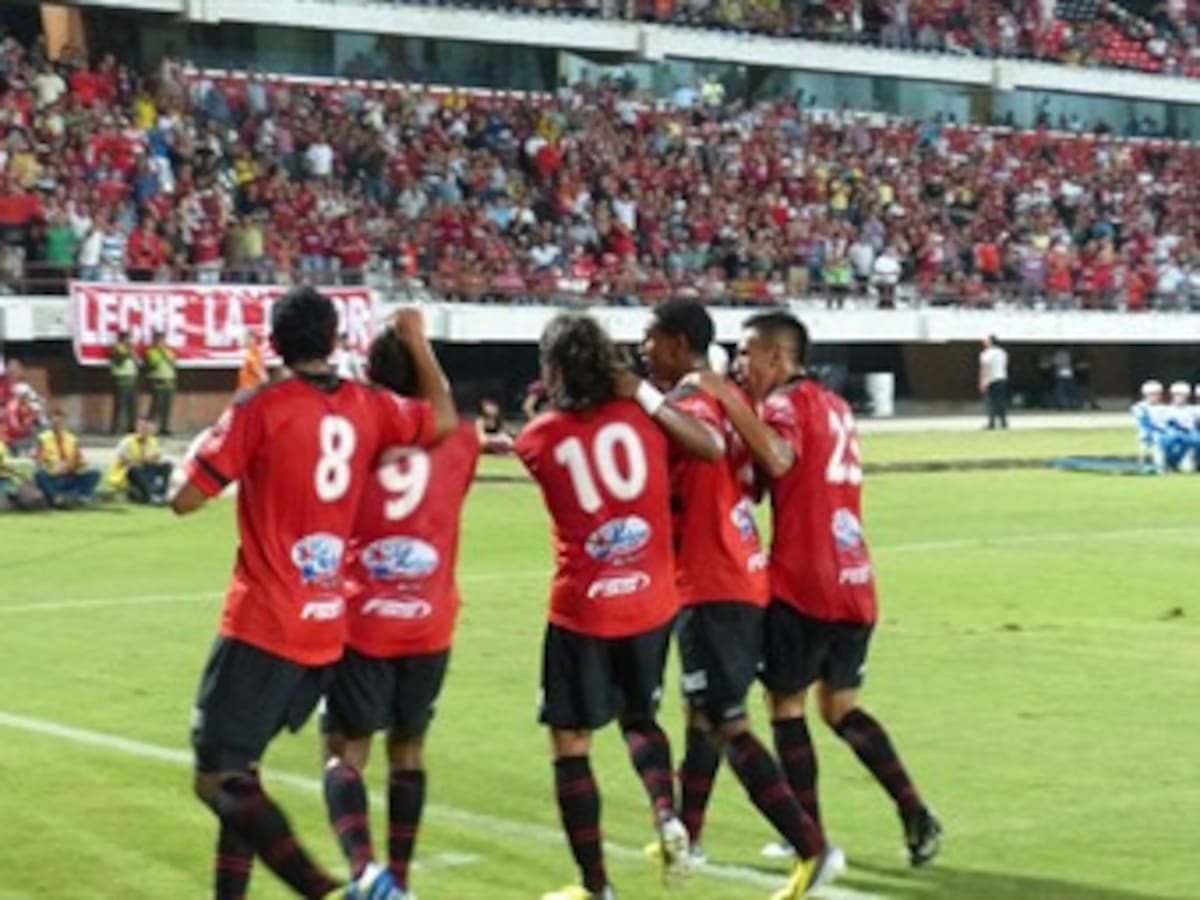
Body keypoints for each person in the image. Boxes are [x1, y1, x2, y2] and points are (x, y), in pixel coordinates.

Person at [170, 286, 458, 900]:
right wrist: (417, 341)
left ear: (276, 342)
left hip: (264, 621)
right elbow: (443, 417)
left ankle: (332, 890)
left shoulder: (262, 406)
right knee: (241, 774)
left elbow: (185, 498)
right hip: (327, 628)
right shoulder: (368, 404)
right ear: (334, 341)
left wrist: (195, 452)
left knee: (215, 775)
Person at [696, 312, 941, 870]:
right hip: (855, 574)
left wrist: (724, 400)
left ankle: (806, 833)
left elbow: (775, 462)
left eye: (744, 355)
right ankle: (914, 810)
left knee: (784, 703)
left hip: (806, 578)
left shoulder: (782, 406)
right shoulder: (835, 405)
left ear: (777, 359)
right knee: (840, 707)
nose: (737, 366)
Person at [514, 314, 724, 900]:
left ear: (553, 368)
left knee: (571, 742)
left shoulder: (538, 438)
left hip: (584, 607)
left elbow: (549, 448)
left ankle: (596, 885)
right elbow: (705, 447)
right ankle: (668, 815)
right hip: (652, 600)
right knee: (641, 719)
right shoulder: (643, 417)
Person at [640, 300, 841, 896]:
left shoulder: (690, 402)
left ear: (677, 344)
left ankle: (811, 846)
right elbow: (749, 484)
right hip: (740, 571)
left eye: (651, 340)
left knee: (726, 720)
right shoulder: (735, 403)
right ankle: (689, 836)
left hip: (712, 577)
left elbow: (707, 451)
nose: (644, 349)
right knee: (703, 714)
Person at [321, 328, 481, 900]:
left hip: (363, 618)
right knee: (409, 749)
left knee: (345, 750)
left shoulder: (355, 441)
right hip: (429, 620)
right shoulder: (463, 440)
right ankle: (402, 882)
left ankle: (367, 873)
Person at [33, 407, 101, 507]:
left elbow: (79, 458)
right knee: (39, 475)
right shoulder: (43, 439)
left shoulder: (72, 439)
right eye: (54, 422)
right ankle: (55, 497)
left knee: (95, 473)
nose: (57, 425)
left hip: (69, 475)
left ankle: (82, 497)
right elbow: (38, 462)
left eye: (60, 422)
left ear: (64, 423)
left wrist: (75, 464)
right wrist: (53, 468)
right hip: (53, 476)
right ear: (50, 423)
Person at [107, 415, 173, 504]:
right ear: (137, 428)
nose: (145, 432)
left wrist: (152, 459)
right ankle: (149, 496)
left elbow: (156, 458)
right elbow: (123, 459)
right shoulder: (127, 441)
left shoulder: (153, 441)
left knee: (167, 465)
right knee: (134, 469)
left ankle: (164, 494)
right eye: (143, 428)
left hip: (147, 470)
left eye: (148, 429)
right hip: (128, 474)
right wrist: (142, 460)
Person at [144, 329, 177, 435]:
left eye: (163, 340)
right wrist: (162, 352)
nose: (162, 343)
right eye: (159, 340)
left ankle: (164, 427)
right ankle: (150, 428)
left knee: (166, 407)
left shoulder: (168, 351)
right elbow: (154, 363)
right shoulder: (151, 352)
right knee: (156, 407)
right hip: (158, 382)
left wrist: (166, 353)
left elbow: (173, 360)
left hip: (169, 382)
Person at [1159, 381, 1196, 473]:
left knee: (1194, 440)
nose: (1179, 397)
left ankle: (1193, 462)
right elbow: (1163, 426)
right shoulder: (1166, 410)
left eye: (1182, 395)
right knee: (1170, 438)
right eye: (1177, 394)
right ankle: (1170, 462)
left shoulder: (1193, 410)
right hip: (1170, 434)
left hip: (1188, 435)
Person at [109, 329, 139, 435]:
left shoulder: (130, 349)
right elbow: (119, 360)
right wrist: (128, 352)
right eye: (128, 338)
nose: (129, 340)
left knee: (133, 406)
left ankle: (131, 427)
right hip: (121, 380)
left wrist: (133, 355)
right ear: (122, 338)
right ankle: (115, 428)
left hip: (131, 379)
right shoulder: (116, 348)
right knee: (120, 405)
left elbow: (135, 361)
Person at [1131, 380, 1164, 469]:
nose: (1155, 397)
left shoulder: (1162, 408)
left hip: (1159, 436)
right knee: (1143, 451)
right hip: (1145, 435)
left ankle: (1160, 467)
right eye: (1152, 394)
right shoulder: (1139, 407)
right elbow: (1143, 421)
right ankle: (1141, 465)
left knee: (1158, 452)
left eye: (1157, 394)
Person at [979, 335, 1009, 430]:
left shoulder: (986, 354)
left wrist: (983, 381)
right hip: (1002, 378)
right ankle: (1003, 422)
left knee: (990, 402)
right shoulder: (1002, 352)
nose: (984, 342)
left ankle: (991, 423)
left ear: (990, 342)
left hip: (991, 379)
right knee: (1000, 401)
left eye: (986, 340)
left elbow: (985, 368)